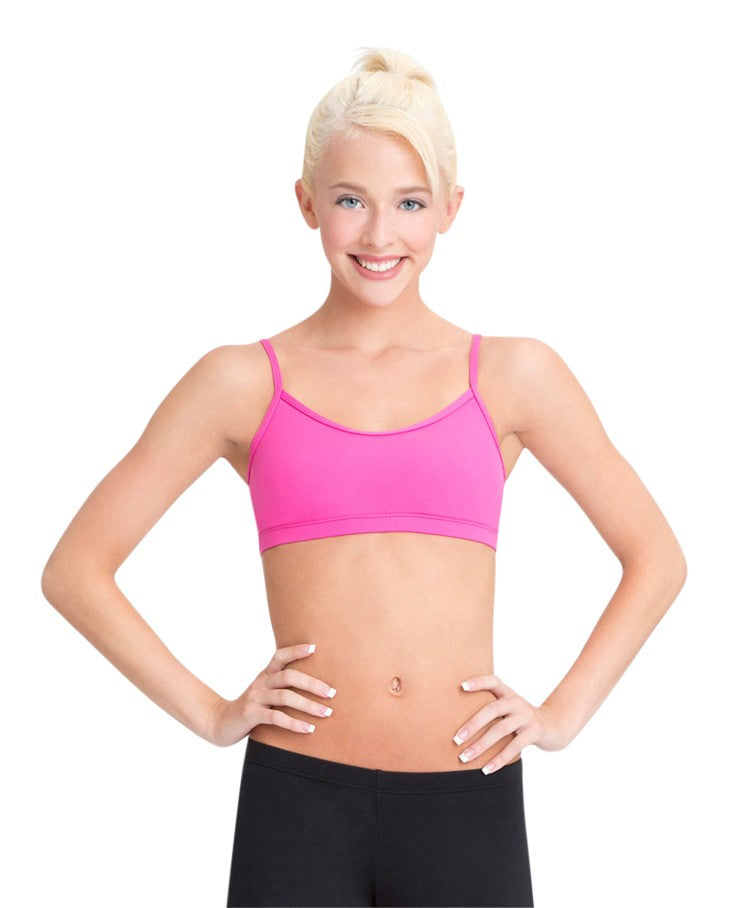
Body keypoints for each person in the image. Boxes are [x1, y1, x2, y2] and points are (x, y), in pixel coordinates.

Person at [40, 47, 687, 908]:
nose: (380, 235)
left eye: (409, 203)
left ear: (450, 209)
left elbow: (655, 557)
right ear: (306, 202)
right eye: (350, 200)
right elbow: (75, 570)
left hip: (467, 795)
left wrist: (561, 715)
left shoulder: (512, 375)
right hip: (298, 801)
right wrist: (211, 713)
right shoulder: (240, 382)